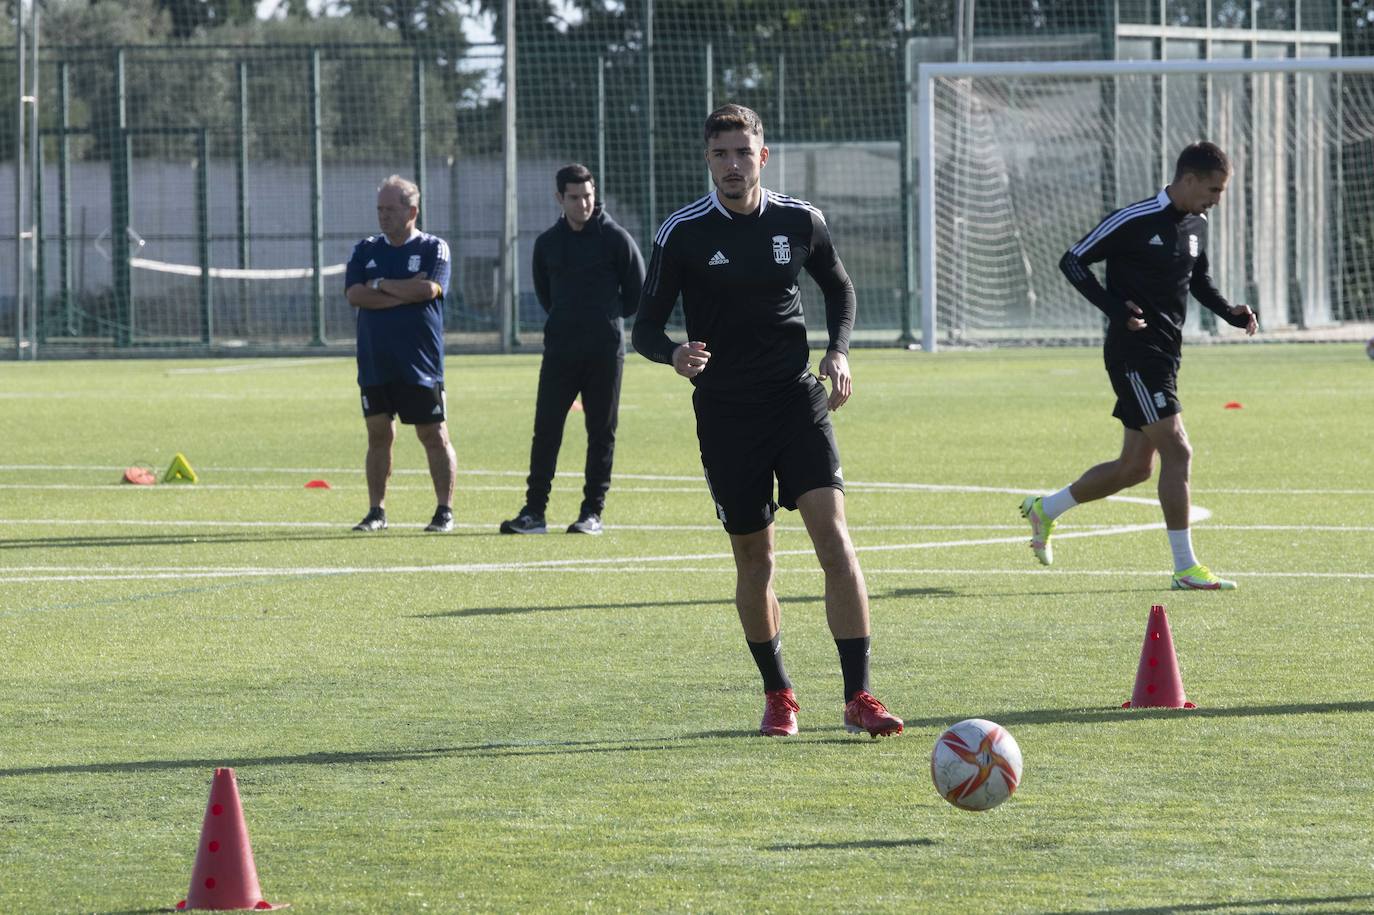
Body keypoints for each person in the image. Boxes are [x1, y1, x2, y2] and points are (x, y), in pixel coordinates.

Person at [632, 104, 903, 739]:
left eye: (742, 151)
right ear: (708, 158)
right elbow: (645, 325)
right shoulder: (683, 232)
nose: (732, 164)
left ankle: (859, 694)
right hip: (726, 415)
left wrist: (837, 353)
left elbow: (840, 290)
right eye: (721, 153)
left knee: (834, 541)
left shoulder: (800, 220)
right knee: (756, 562)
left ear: (764, 155)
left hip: (795, 402)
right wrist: (672, 352)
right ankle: (779, 693)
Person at [1023, 141, 1258, 589]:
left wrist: (1231, 312)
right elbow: (1072, 260)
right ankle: (1185, 568)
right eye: (1213, 189)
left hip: (1167, 354)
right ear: (1187, 179)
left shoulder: (1196, 223)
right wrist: (1115, 309)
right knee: (1179, 451)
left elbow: (1198, 281)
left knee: (1135, 468)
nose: (1217, 199)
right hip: (1134, 355)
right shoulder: (1133, 219)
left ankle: (1044, 509)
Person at [500, 164, 646, 536]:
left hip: (604, 352)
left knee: (601, 432)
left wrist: (603, 319)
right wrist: (569, 322)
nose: (583, 203)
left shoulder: (615, 239)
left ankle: (591, 512)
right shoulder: (547, 243)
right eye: (574, 197)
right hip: (560, 352)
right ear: (559, 199)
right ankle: (534, 512)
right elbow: (546, 294)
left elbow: (636, 293)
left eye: (588, 196)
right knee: (546, 430)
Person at [344, 174, 456, 534]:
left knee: (434, 434)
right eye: (379, 209)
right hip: (376, 361)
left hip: (420, 362)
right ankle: (376, 511)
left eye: (390, 209)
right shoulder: (365, 249)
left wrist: (381, 286)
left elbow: (428, 290)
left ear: (412, 211)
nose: (383, 216)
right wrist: (400, 291)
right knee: (378, 434)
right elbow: (355, 296)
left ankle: (443, 511)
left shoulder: (433, 248)